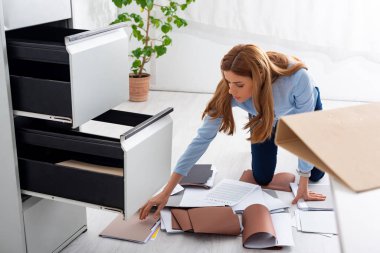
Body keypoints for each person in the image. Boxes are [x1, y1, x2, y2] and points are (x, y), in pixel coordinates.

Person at [139, 44, 326, 220]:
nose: (231, 90)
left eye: (239, 84)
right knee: (262, 177)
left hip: (302, 115)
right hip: (263, 117)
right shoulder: (228, 92)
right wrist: (166, 192)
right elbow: (201, 140)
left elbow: (304, 131)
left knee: (315, 176)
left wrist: (303, 182)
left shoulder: (298, 79)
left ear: (258, 77)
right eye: (228, 81)